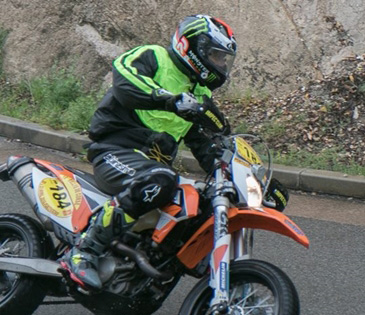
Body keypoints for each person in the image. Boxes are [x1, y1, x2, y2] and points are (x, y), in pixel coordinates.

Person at [62, 14, 238, 291]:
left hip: (152, 167)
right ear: (193, 47)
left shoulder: (200, 96)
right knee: (161, 179)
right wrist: (169, 100)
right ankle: (84, 250)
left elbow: (206, 145)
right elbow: (124, 80)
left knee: (200, 201)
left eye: (223, 58)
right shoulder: (155, 56)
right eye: (215, 55)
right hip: (115, 150)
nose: (220, 64)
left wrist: (243, 174)